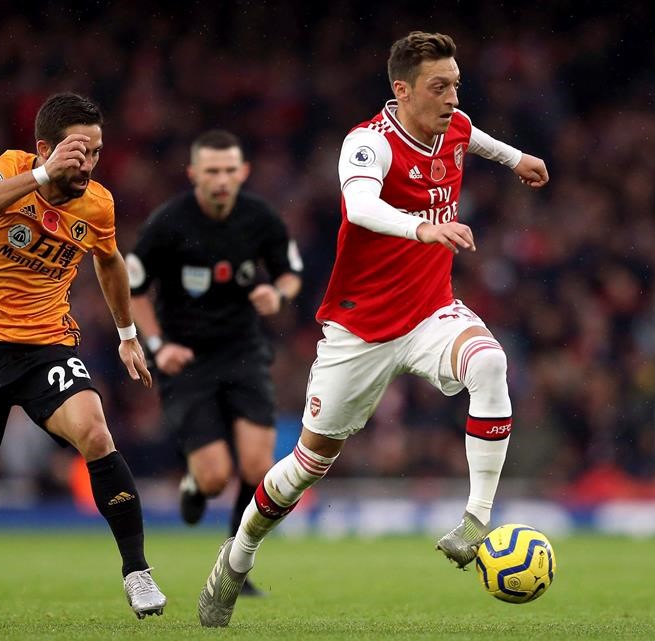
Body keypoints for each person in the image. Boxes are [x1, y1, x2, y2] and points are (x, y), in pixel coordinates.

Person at [198, 31, 549, 627]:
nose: (452, 97)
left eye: (456, 84)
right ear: (402, 90)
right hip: (360, 330)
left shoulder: (454, 125)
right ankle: (237, 557)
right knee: (306, 465)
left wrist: (516, 159)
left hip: (430, 312)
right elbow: (359, 207)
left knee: (490, 362)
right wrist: (423, 228)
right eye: (438, 87)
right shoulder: (368, 143)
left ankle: (476, 520)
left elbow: (473, 137)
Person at [0, 93, 167, 617]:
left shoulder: (98, 204)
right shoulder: (8, 170)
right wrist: (44, 175)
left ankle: (137, 572)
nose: (88, 164)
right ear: (45, 148)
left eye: (96, 152)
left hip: (46, 347)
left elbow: (109, 260)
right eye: (78, 151)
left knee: (95, 432)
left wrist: (127, 334)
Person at [127, 129, 302, 596]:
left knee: (259, 468)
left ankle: (234, 565)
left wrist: (277, 294)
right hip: (187, 359)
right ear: (194, 174)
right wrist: (158, 344)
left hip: (244, 351)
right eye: (212, 171)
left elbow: (290, 272)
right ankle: (195, 483)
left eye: (229, 170)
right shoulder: (169, 223)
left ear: (243, 172)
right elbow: (133, 287)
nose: (221, 180)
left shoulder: (259, 218)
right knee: (215, 477)